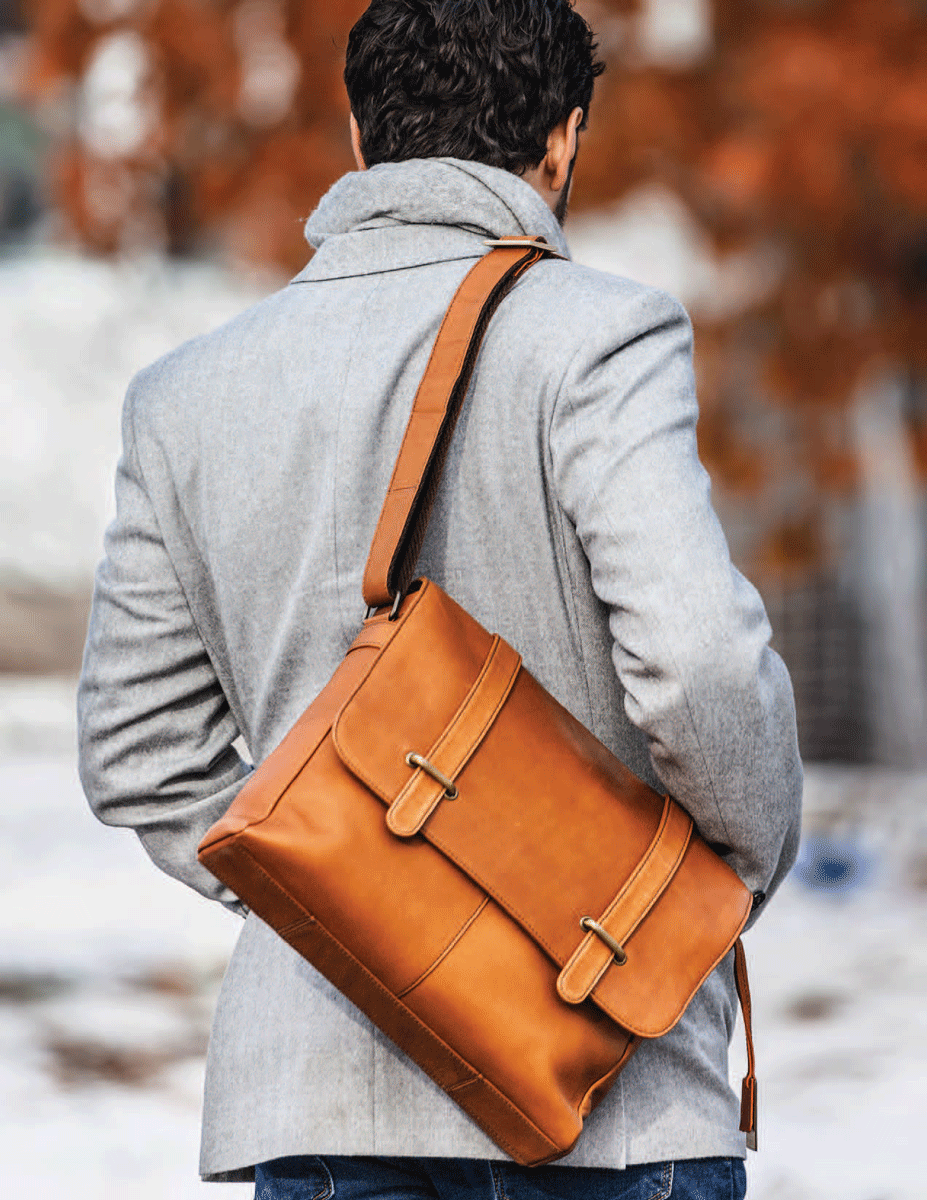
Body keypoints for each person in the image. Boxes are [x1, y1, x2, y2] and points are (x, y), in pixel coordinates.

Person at [77, 1, 804, 1197]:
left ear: (359, 133)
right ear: (563, 141)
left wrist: (357, 898)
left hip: (320, 1097)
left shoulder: (185, 396)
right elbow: (702, 667)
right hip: (605, 1077)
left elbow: (138, 753)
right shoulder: (602, 339)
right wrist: (714, 887)